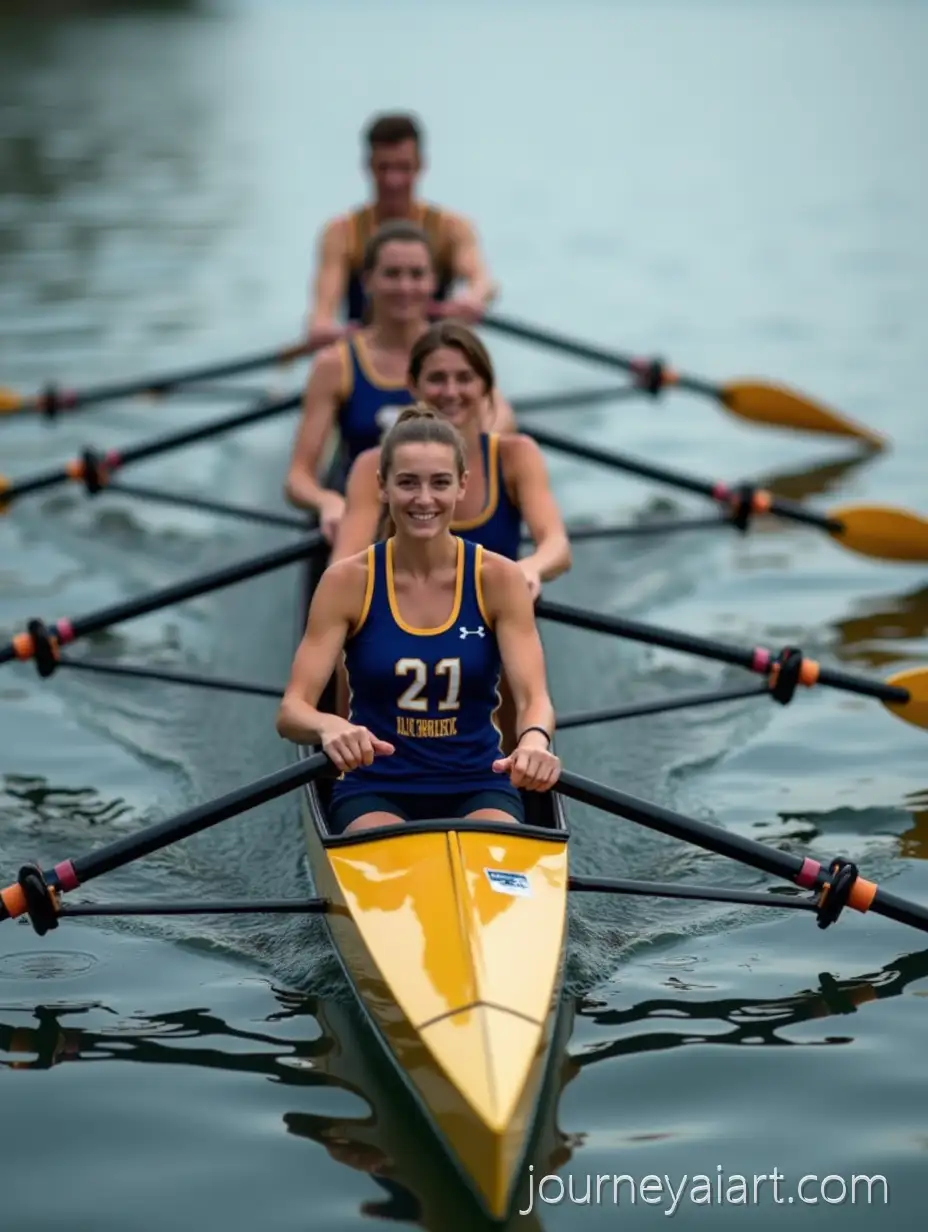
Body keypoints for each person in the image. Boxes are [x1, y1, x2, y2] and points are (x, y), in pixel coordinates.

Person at [276, 407, 560, 836]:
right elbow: (292, 710)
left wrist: (535, 739)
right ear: (383, 488)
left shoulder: (499, 578)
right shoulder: (347, 582)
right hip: (375, 789)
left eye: (439, 483)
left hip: (479, 785)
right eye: (407, 482)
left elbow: (534, 697)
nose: (424, 499)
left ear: (461, 486)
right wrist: (328, 724)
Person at [285, 223, 515, 542]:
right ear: (368, 281)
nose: (405, 287)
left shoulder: (457, 352)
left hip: (442, 520)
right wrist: (327, 502)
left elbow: (501, 421)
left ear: (433, 282)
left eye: (417, 274)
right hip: (359, 526)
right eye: (392, 274)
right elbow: (298, 478)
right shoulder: (335, 364)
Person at [331, 320, 571, 600]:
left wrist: (531, 567)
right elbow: (342, 566)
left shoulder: (516, 455)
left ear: (486, 387)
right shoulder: (372, 465)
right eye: (437, 379)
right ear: (412, 385)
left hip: (497, 628)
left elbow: (558, 547)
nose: (451, 392)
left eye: (464, 378)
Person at [306, 113, 497, 348]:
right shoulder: (342, 233)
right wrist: (322, 328)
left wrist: (472, 299)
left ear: (421, 166)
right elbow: (322, 312)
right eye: (384, 168)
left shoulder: (450, 228)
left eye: (403, 168)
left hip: (432, 357)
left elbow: (483, 280)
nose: (393, 181)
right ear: (368, 167)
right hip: (366, 356)